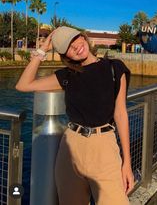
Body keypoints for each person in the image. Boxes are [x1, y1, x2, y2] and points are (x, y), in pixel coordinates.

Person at [16, 26, 134, 205]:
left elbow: (120, 114)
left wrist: (127, 162)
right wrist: (42, 50)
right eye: (67, 48)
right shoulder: (67, 76)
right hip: (70, 148)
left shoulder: (114, 69)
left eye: (75, 39)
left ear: (83, 37)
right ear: (65, 56)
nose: (75, 47)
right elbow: (23, 85)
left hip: (104, 147)